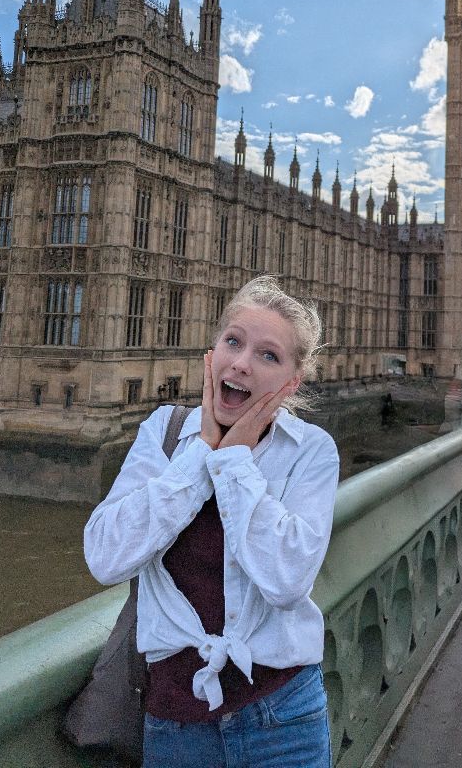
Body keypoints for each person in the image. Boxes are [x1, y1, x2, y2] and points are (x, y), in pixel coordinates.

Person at [84, 276, 339, 768]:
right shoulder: (164, 432)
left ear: (292, 383)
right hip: (176, 725)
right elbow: (104, 556)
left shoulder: (310, 451)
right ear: (212, 354)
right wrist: (201, 453)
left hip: (284, 718)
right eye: (233, 342)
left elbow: (288, 580)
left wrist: (234, 461)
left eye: (268, 355)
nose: (242, 362)